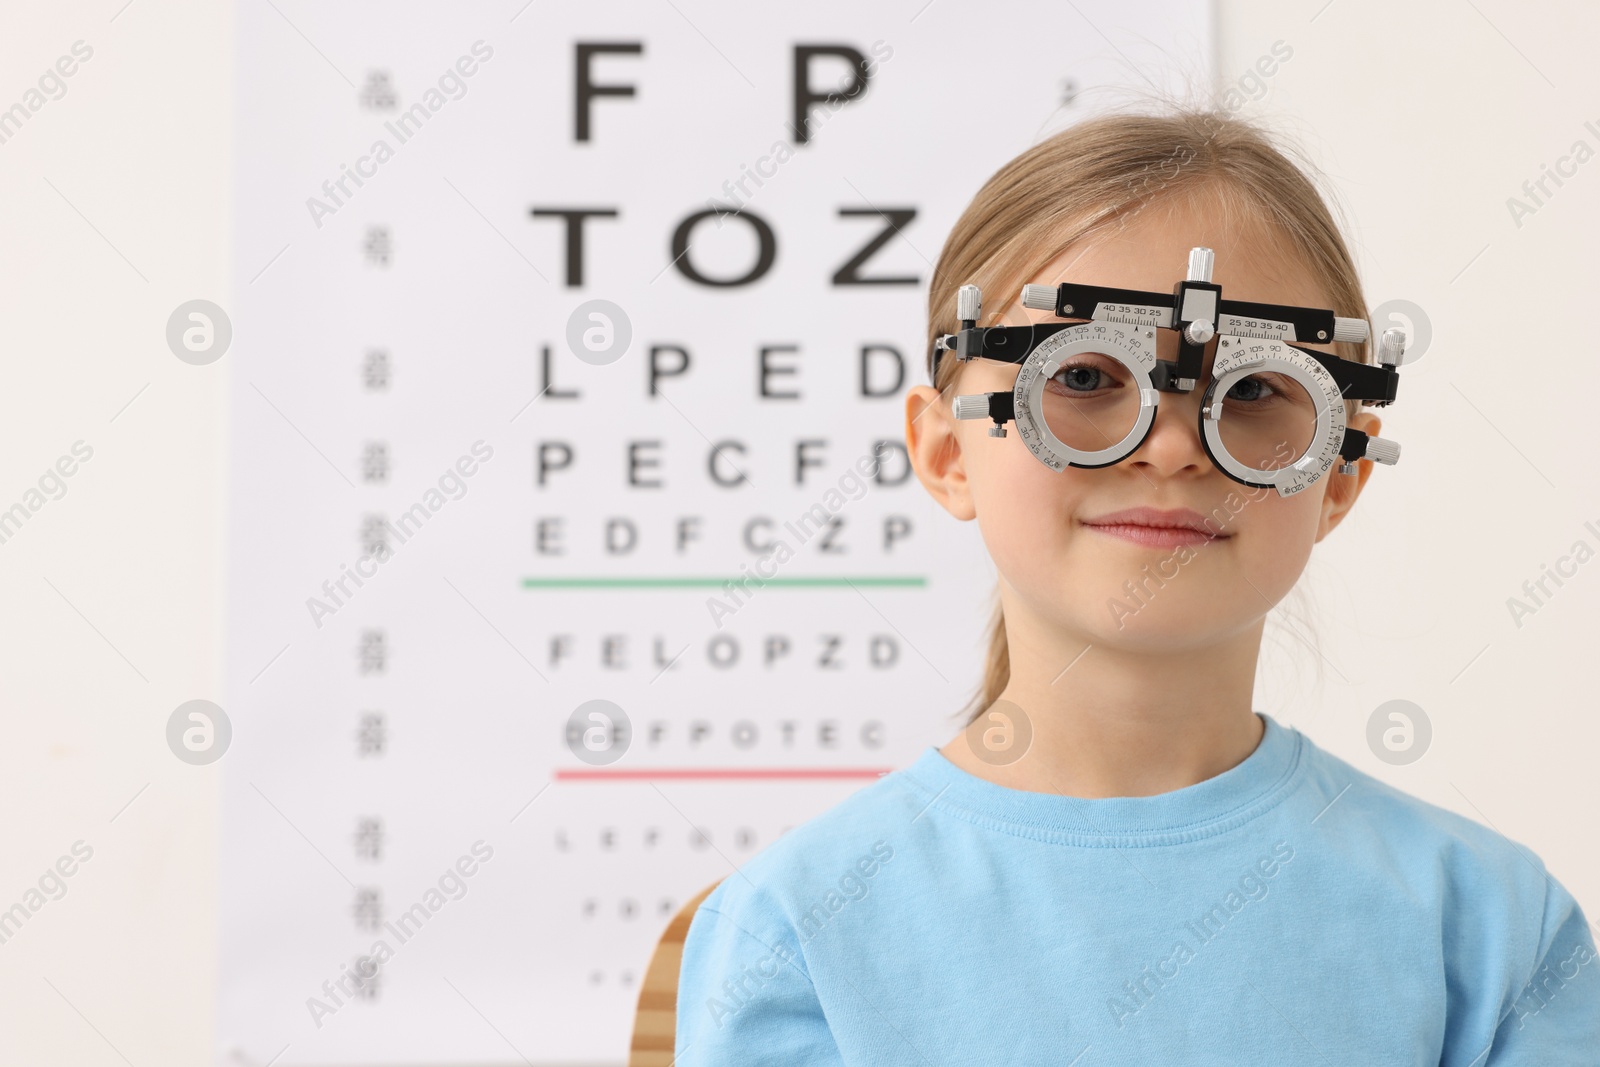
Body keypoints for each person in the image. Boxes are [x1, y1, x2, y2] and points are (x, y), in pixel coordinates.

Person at [672, 104, 1600, 1064]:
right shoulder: (801, 927)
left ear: (1340, 474)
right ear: (949, 450)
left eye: (1250, 393)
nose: (1170, 447)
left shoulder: (1488, 929)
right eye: (1081, 378)